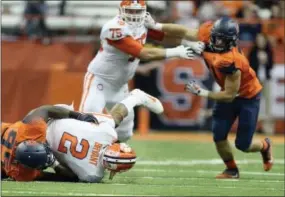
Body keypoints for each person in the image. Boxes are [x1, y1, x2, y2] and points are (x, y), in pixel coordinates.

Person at [145, 16, 274, 179]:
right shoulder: (209, 33)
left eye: (221, 39)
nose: (215, 41)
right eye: (215, 36)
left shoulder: (233, 60)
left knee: (243, 144)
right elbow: (183, 31)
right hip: (227, 91)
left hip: (247, 97)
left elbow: (229, 95)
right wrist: (156, 25)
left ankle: (264, 146)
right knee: (219, 135)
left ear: (230, 41)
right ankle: (232, 170)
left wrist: (202, 93)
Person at [79, 0, 204, 142]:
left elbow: (164, 37)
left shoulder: (142, 24)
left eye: (137, 11)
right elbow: (143, 53)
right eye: (131, 11)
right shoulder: (114, 28)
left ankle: (113, 155)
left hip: (120, 85)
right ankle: (136, 98)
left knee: (124, 134)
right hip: (99, 81)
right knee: (88, 123)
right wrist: (176, 52)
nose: (134, 15)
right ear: (121, 11)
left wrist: (186, 42)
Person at [45, 89, 163, 182]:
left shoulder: (108, 134)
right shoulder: (92, 175)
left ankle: (135, 98)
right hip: (50, 136)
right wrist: (53, 163)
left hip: (56, 117)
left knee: (111, 121)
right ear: (113, 171)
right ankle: (136, 97)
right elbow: (68, 175)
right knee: (110, 122)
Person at [1, 105, 98, 181]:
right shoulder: (20, 173)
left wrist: (78, 116)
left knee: (62, 107)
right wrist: (54, 164)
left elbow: (45, 110)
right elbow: (68, 177)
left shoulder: (33, 129)